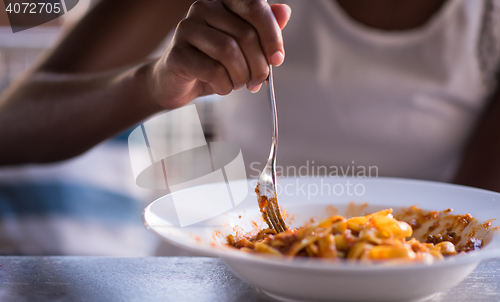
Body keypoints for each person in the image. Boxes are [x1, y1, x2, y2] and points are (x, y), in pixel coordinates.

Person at [0, 0, 499, 254]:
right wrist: (154, 84)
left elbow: (473, 234)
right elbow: (13, 127)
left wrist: (373, 268)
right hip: (217, 285)